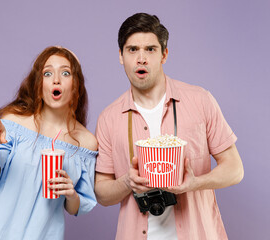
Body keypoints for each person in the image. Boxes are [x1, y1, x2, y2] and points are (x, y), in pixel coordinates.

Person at [94, 13, 244, 240]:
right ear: (121, 56)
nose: (141, 58)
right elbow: (102, 194)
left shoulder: (200, 100)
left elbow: (235, 169)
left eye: (150, 49)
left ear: (164, 54)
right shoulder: (108, 118)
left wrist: (194, 183)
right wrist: (127, 182)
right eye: (132, 50)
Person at [0, 46, 98, 240]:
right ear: (39, 84)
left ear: (76, 85)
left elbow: (78, 206)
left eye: (65, 72)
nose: (56, 79)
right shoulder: (13, 122)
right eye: (47, 73)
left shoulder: (86, 142)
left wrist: (71, 193)